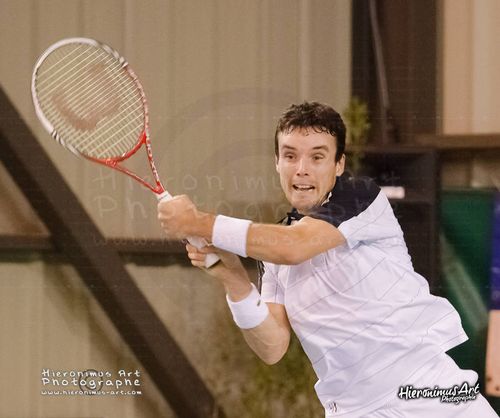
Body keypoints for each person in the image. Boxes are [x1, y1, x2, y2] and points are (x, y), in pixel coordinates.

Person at [157, 102, 498, 417]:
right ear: (277, 163)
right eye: (290, 156)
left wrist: (200, 223)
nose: (301, 170)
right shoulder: (274, 250)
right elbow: (272, 347)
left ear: (339, 165)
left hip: (429, 398)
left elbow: (294, 246)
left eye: (317, 157)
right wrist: (234, 280)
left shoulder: (360, 198)